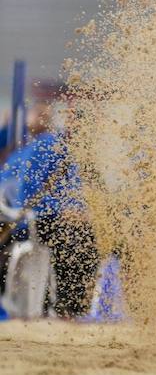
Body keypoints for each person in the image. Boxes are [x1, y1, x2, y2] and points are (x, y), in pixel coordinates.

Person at [0, 84, 98, 318]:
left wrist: (75, 208)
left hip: (45, 217)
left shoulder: (55, 145)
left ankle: (66, 309)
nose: (42, 115)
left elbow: (72, 186)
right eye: (37, 111)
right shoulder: (18, 151)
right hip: (17, 217)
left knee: (77, 232)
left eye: (47, 113)